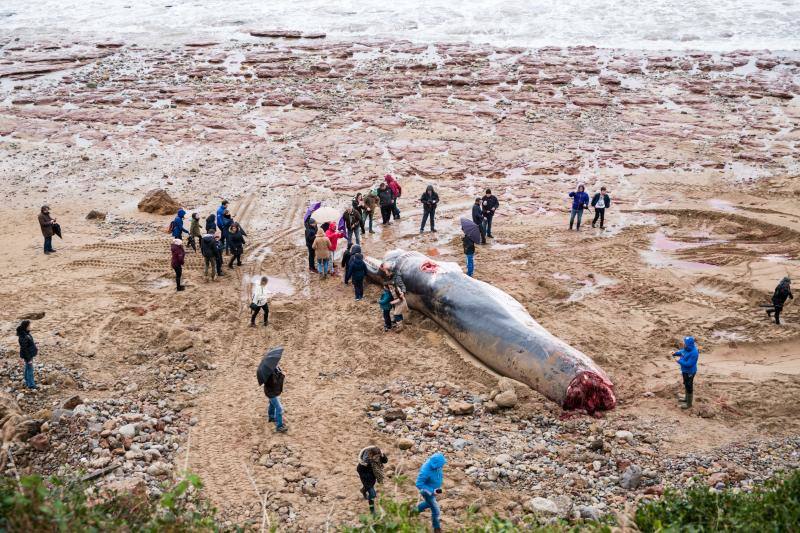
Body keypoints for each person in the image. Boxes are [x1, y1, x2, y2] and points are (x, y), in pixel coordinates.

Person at [415, 452, 446, 533]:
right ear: (435, 464)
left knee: (428, 503)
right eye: (441, 465)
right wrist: (432, 491)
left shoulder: (436, 464)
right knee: (436, 510)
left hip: (434, 489)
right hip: (427, 492)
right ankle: (437, 528)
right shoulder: (425, 471)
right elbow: (418, 484)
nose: (442, 466)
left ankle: (414, 511)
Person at [357, 446, 388, 515]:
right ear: (371, 455)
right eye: (376, 457)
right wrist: (367, 480)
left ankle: (363, 490)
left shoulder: (378, 457)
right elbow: (359, 470)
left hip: (373, 475)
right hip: (365, 476)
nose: (377, 458)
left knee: (370, 486)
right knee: (372, 494)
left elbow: (385, 461)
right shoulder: (365, 462)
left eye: (378, 456)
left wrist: (383, 456)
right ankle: (372, 511)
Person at [259, 360, 287, 433]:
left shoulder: (274, 368)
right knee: (279, 408)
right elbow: (275, 383)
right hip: (271, 393)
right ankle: (279, 426)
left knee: (272, 404)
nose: (277, 362)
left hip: (271, 391)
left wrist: (279, 371)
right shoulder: (269, 374)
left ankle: (271, 417)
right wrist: (282, 375)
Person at [672, 336, 698, 409]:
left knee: (689, 386)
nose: (683, 344)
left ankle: (689, 404)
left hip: (690, 372)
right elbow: (682, 351)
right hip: (684, 371)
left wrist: (678, 360)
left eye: (685, 343)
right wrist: (675, 353)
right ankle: (686, 399)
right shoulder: (687, 348)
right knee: (686, 384)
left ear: (689, 344)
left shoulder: (694, 353)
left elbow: (689, 364)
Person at [17, 320, 37, 390]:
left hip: (29, 353)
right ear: (26, 327)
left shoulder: (26, 333)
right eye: (29, 325)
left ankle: (27, 380)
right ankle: (31, 385)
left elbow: (28, 344)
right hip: (28, 355)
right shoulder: (24, 336)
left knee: (27, 368)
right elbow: (24, 349)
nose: (31, 326)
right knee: (30, 369)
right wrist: (28, 359)